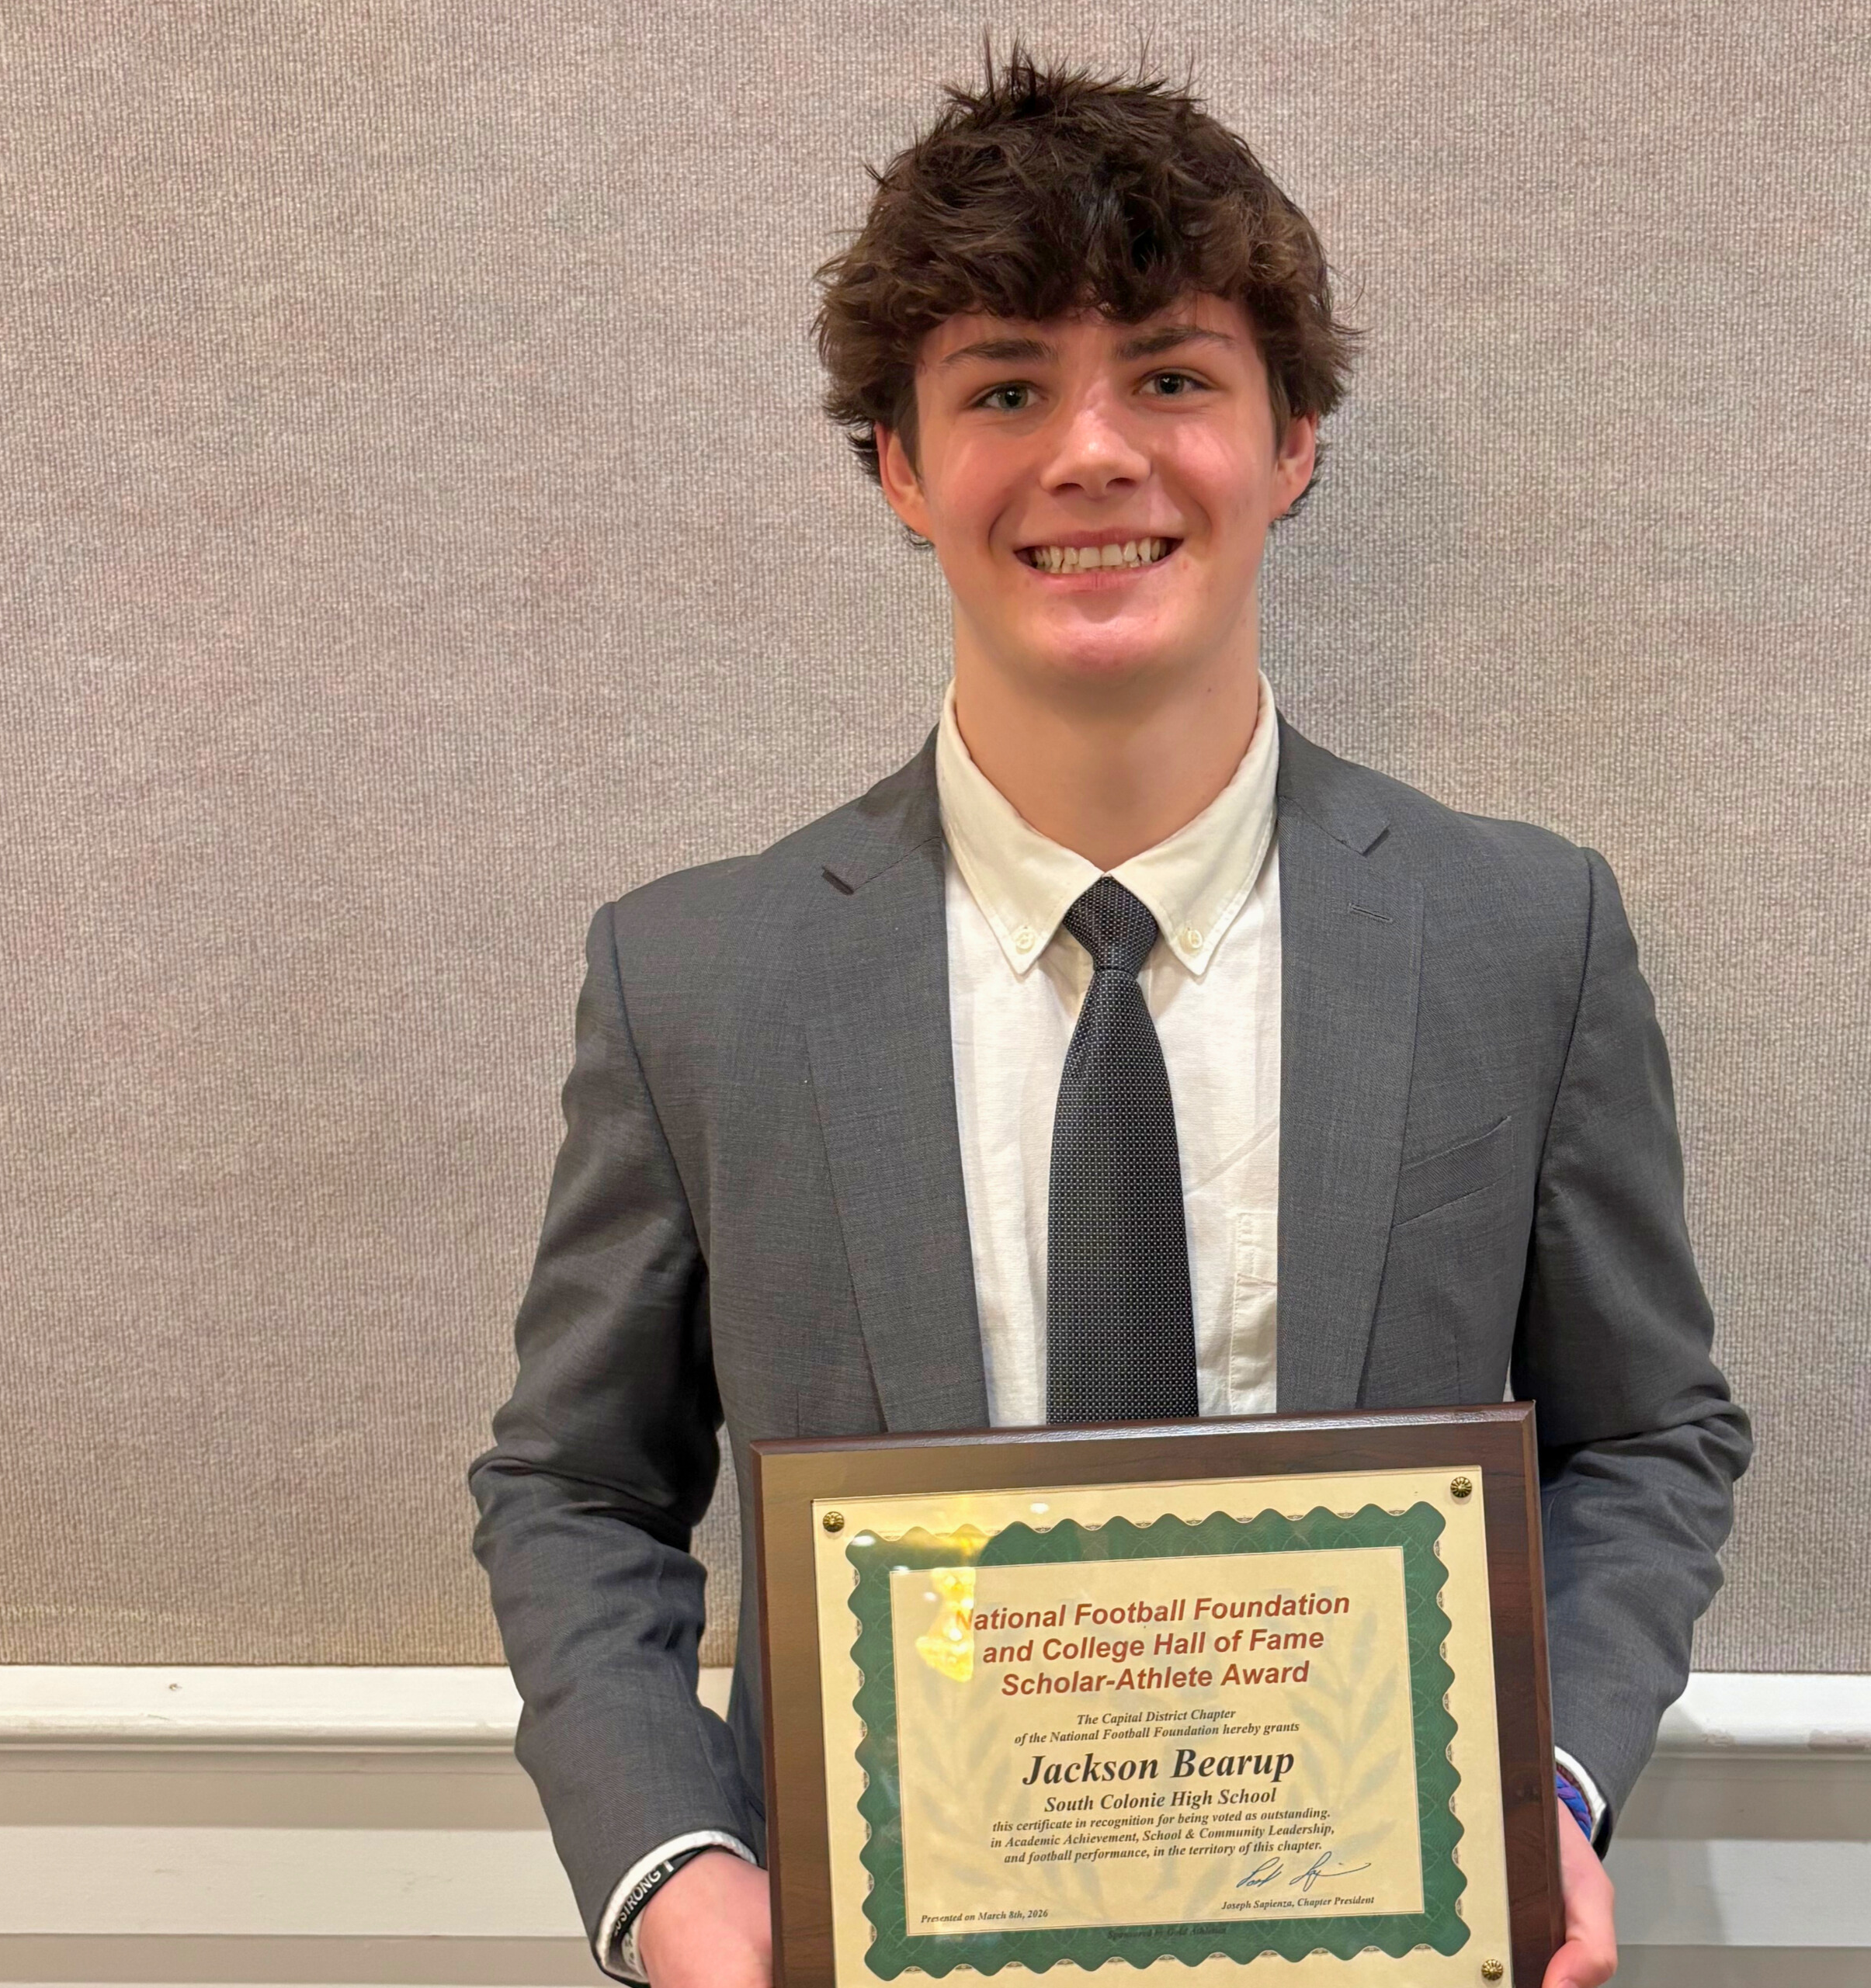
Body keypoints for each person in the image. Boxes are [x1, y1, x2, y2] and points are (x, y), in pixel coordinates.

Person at [468, 42, 1751, 1988]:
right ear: (898, 468)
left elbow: (1645, 1436)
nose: (1092, 452)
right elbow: (572, 1490)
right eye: (1002, 390)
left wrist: (1539, 1788)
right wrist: (673, 1875)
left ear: (1291, 442)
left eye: (1169, 375)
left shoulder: (1519, 934)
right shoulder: (699, 980)